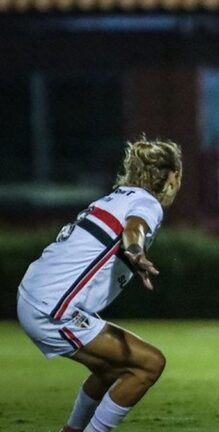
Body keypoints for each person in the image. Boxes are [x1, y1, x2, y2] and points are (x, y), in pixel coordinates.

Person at [16, 138, 182, 432]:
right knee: (150, 364)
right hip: (53, 308)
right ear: (171, 176)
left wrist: (132, 256)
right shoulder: (148, 203)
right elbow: (134, 230)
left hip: (34, 294)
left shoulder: (116, 197)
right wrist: (135, 252)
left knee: (109, 369)